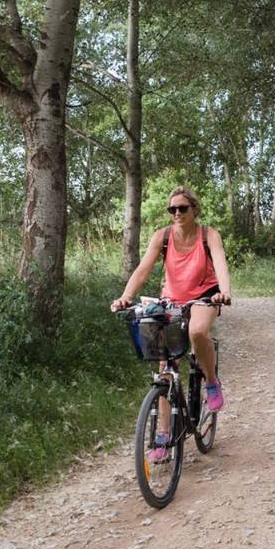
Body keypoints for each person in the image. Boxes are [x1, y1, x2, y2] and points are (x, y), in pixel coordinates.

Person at [112, 186, 232, 459]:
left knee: (198, 331)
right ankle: (164, 435)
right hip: (172, 298)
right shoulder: (162, 237)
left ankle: (211, 381)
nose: (177, 213)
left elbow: (221, 264)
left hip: (205, 294)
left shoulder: (209, 235)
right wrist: (125, 297)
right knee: (165, 363)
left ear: (194, 209)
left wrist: (224, 292)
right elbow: (143, 269)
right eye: (172, 209)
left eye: (183, 208)